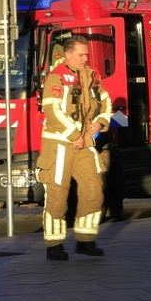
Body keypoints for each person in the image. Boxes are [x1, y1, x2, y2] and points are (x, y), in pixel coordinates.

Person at [37, 34, 112, 260]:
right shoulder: (55, 78)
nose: (85, 58)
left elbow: (105, 101)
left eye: (86, 54)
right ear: (68, 55)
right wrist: (73, 134)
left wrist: (101, 122)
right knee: (58, 195)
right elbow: (52, 110)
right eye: (81, 54)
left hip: (85, 144)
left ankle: (85, 240)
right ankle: (54, 245)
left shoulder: (92, 76)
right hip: (59, 144)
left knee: (93, 190)